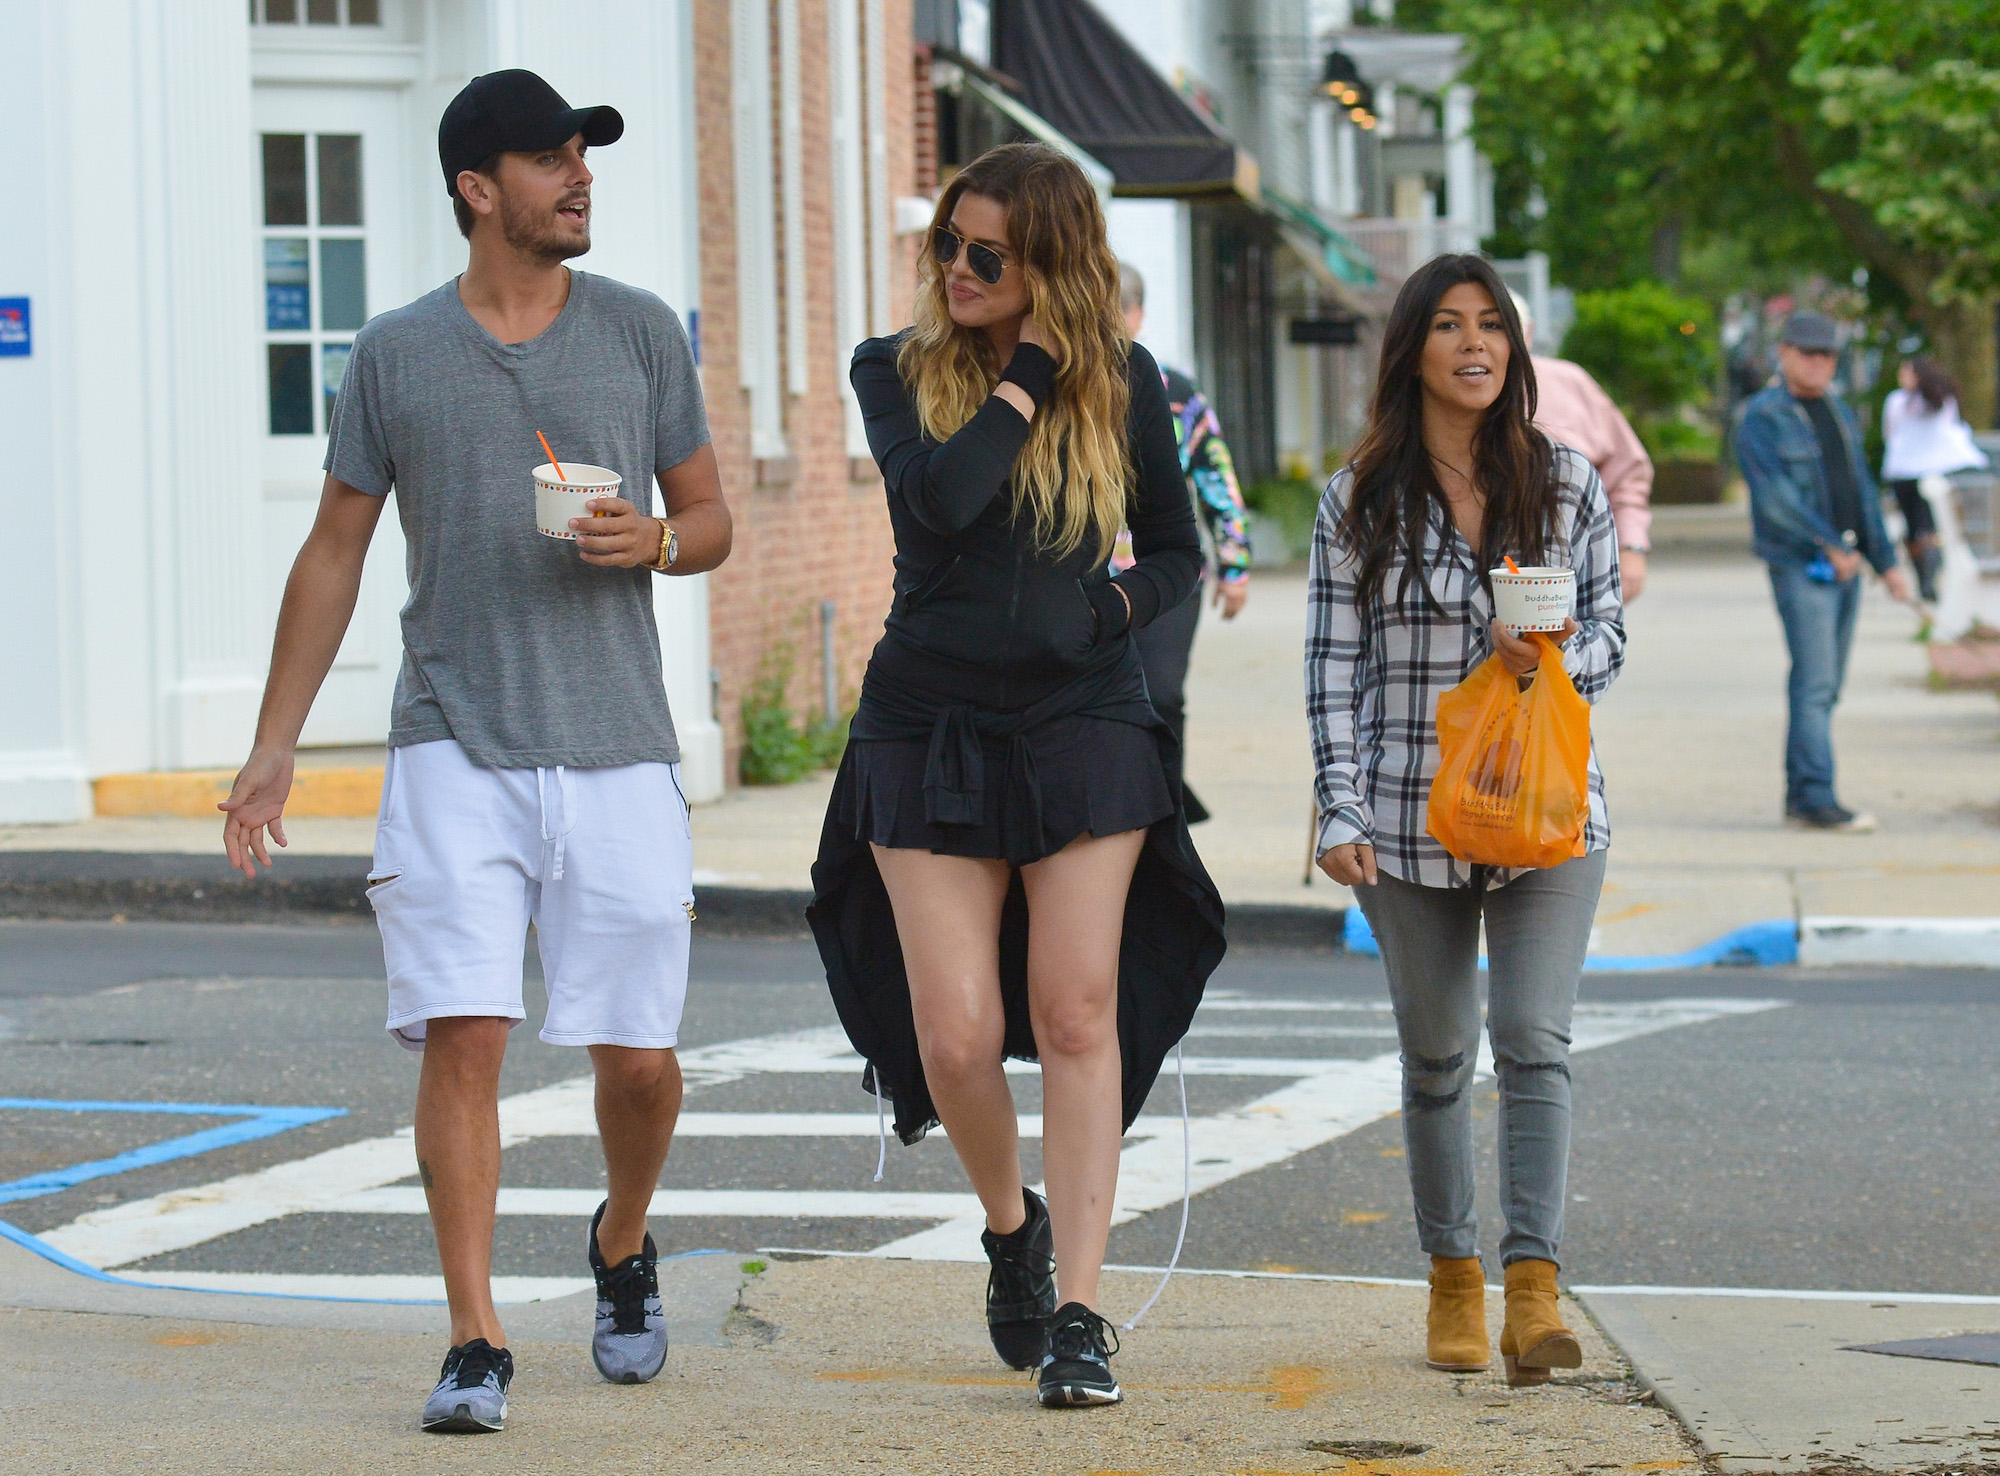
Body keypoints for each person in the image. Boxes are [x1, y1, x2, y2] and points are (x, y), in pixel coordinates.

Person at [217, 69, 732, 1433]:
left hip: (617, 740)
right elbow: (335, 547)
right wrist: (275, 744)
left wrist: (660, 543)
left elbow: (712, 518)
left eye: (585, 158)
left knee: (635, 1055)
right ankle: (474, 1332)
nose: (580, 178)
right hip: (453, 737)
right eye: (552, 159)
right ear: (476, 189)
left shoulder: (636, 336)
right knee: (465, 1034)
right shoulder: (395, 353)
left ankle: (623, 1239)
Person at [808, 143, 1225, 1410]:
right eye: (948, 244)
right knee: (955, 1036)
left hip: (1082, 724)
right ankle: (1011, 1227)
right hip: (924, 722)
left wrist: (1110, 617)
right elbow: (940, 504)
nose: (957, 269)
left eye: (988, 252)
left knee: (1075, 1011)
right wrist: (1032, 365)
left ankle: (1085, 1313)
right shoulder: (894, 370)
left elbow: (1172, 550)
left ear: (1049, 261)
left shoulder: (1129, 384)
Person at [1307, 254, 1625, 1387]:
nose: (1474, 344)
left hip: (1548, 813)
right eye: (1447, 326)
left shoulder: (1566, 483)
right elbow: (1331, 665)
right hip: (1404, 816)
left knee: (1533, 1042)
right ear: (1412, 351)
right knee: (1437, 1053)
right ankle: (1452, 1278)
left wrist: (1545, 655)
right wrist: (1336, 805)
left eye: (1490, 325)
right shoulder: (1356, 498)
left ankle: (1532, 1290)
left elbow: (1608, 641)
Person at [1736, 310, 1909, 833]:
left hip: (1848, 564)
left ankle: (1802, 792)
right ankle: (1817, 797)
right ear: (1784, 353)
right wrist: (1829, 545)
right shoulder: (1762, 417)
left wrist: (1888, 562)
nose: (1819, 363)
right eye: (1808, 353)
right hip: (1802, 566)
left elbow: (1860, 488)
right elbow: (1775, 501)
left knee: (1824, 686)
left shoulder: (1837, 408)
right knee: (1816, 683)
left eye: (1827, 354)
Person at [1113, 262, 1251, 823]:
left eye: (1119, 309)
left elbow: (1217, 479)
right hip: (1083, 578)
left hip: (1165, 578)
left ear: (1139, 316)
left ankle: (1165, 818)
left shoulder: (1178, 394)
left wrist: (1235, 566)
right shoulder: (1059, 384)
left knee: (1162, 694)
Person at [1512, 292, 1654, 598]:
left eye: (1502, 327)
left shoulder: (1570, 383)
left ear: (1530, 332)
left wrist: (1631, 546)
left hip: (1575, 568)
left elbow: (1627, 471)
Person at [1882, 355, 1988, 605]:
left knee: (1913, 528)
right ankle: (1930, 579)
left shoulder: (1898, 402)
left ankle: (1924, 580)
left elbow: (1890, 433)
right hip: (1934, 470)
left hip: (1904, 470)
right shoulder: (1943, 400)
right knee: (1929, 526)